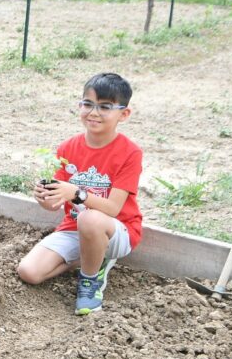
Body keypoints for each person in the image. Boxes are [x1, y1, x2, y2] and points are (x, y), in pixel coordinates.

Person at [16, 73, 143, 316]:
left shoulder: (129, 153)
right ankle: (90, 259)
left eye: (105, 106)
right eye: (88, 104)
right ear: (80, 106)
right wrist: (46, 198)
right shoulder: (68, 148)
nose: (94, 112)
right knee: (29, 272)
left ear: (124, 114)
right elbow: (56, 205)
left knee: (90, 218)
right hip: (73, 228)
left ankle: (90, 280)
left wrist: (77, 193)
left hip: (116, 230)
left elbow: (113, 208)